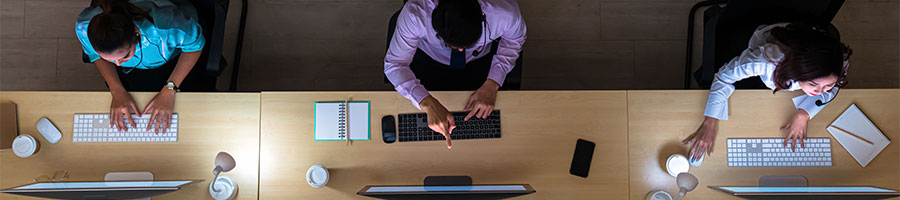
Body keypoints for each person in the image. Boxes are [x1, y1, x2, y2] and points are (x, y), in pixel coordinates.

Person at [683, 23, 852, 161]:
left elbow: (834, 87)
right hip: (767, 36)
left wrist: (804, 114)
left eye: (827, 85)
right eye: (813, 84)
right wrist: (710, 122)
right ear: (798, 70)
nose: (820, 91)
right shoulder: (766, 61)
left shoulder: (838, 59)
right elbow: (723, 77)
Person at [384, 0, 526, 149]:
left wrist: (493, 83)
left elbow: (514, 40)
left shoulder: (505, 12)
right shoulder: (416, 14)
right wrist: (428, 103)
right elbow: (395, 64)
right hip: (428, 59)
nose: (459, 50)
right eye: (450, 44)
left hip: (481, 61)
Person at [76, 0, 205, 134]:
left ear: (137, 34)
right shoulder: (85, 28)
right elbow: (94, 55)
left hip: (173, 57)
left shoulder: (166, 27)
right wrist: (116, 90)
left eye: (124, 56)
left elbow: (194, 47)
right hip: (137, 67)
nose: (118, 64)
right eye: (109, 59)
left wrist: (170, 88)